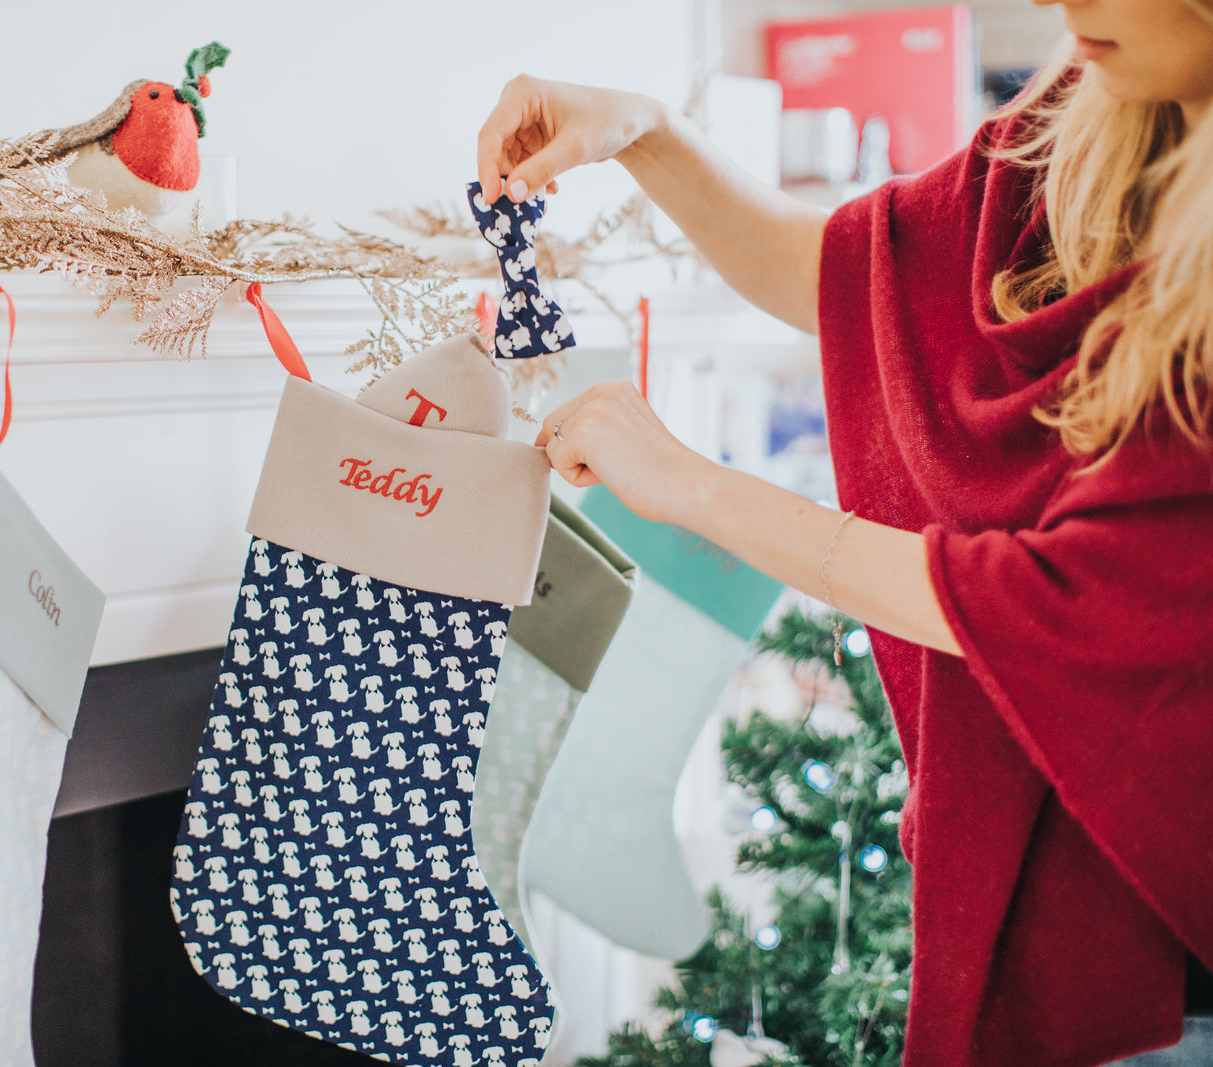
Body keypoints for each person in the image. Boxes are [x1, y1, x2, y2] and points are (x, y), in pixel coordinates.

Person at [474, 1, 1213, 1065]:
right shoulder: (1088, 112)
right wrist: (643, 129)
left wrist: (688, 486)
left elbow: (1044, 600)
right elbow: (840, 271)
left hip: (1171, 944)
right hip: (1032, 905)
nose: (1066, 6)